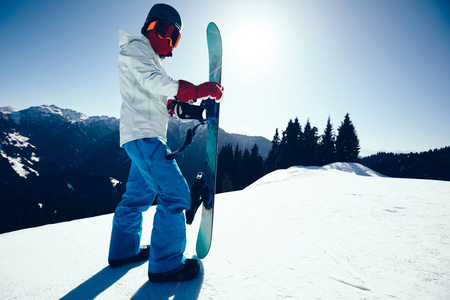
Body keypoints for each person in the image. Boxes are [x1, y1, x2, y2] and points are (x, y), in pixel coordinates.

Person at [108, 3, 223, 283]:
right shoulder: (136, 50)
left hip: (141, 137)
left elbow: (165, 103)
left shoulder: (147, 58)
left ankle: (122, 251)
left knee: (137, 196)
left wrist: (195, 109)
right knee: (175, 195)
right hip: (145, 139)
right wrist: (195, 90)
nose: (170, 43)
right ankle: (165, 265)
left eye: (176, 39)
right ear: (152, 27)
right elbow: (157, 82)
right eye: (167, 33)